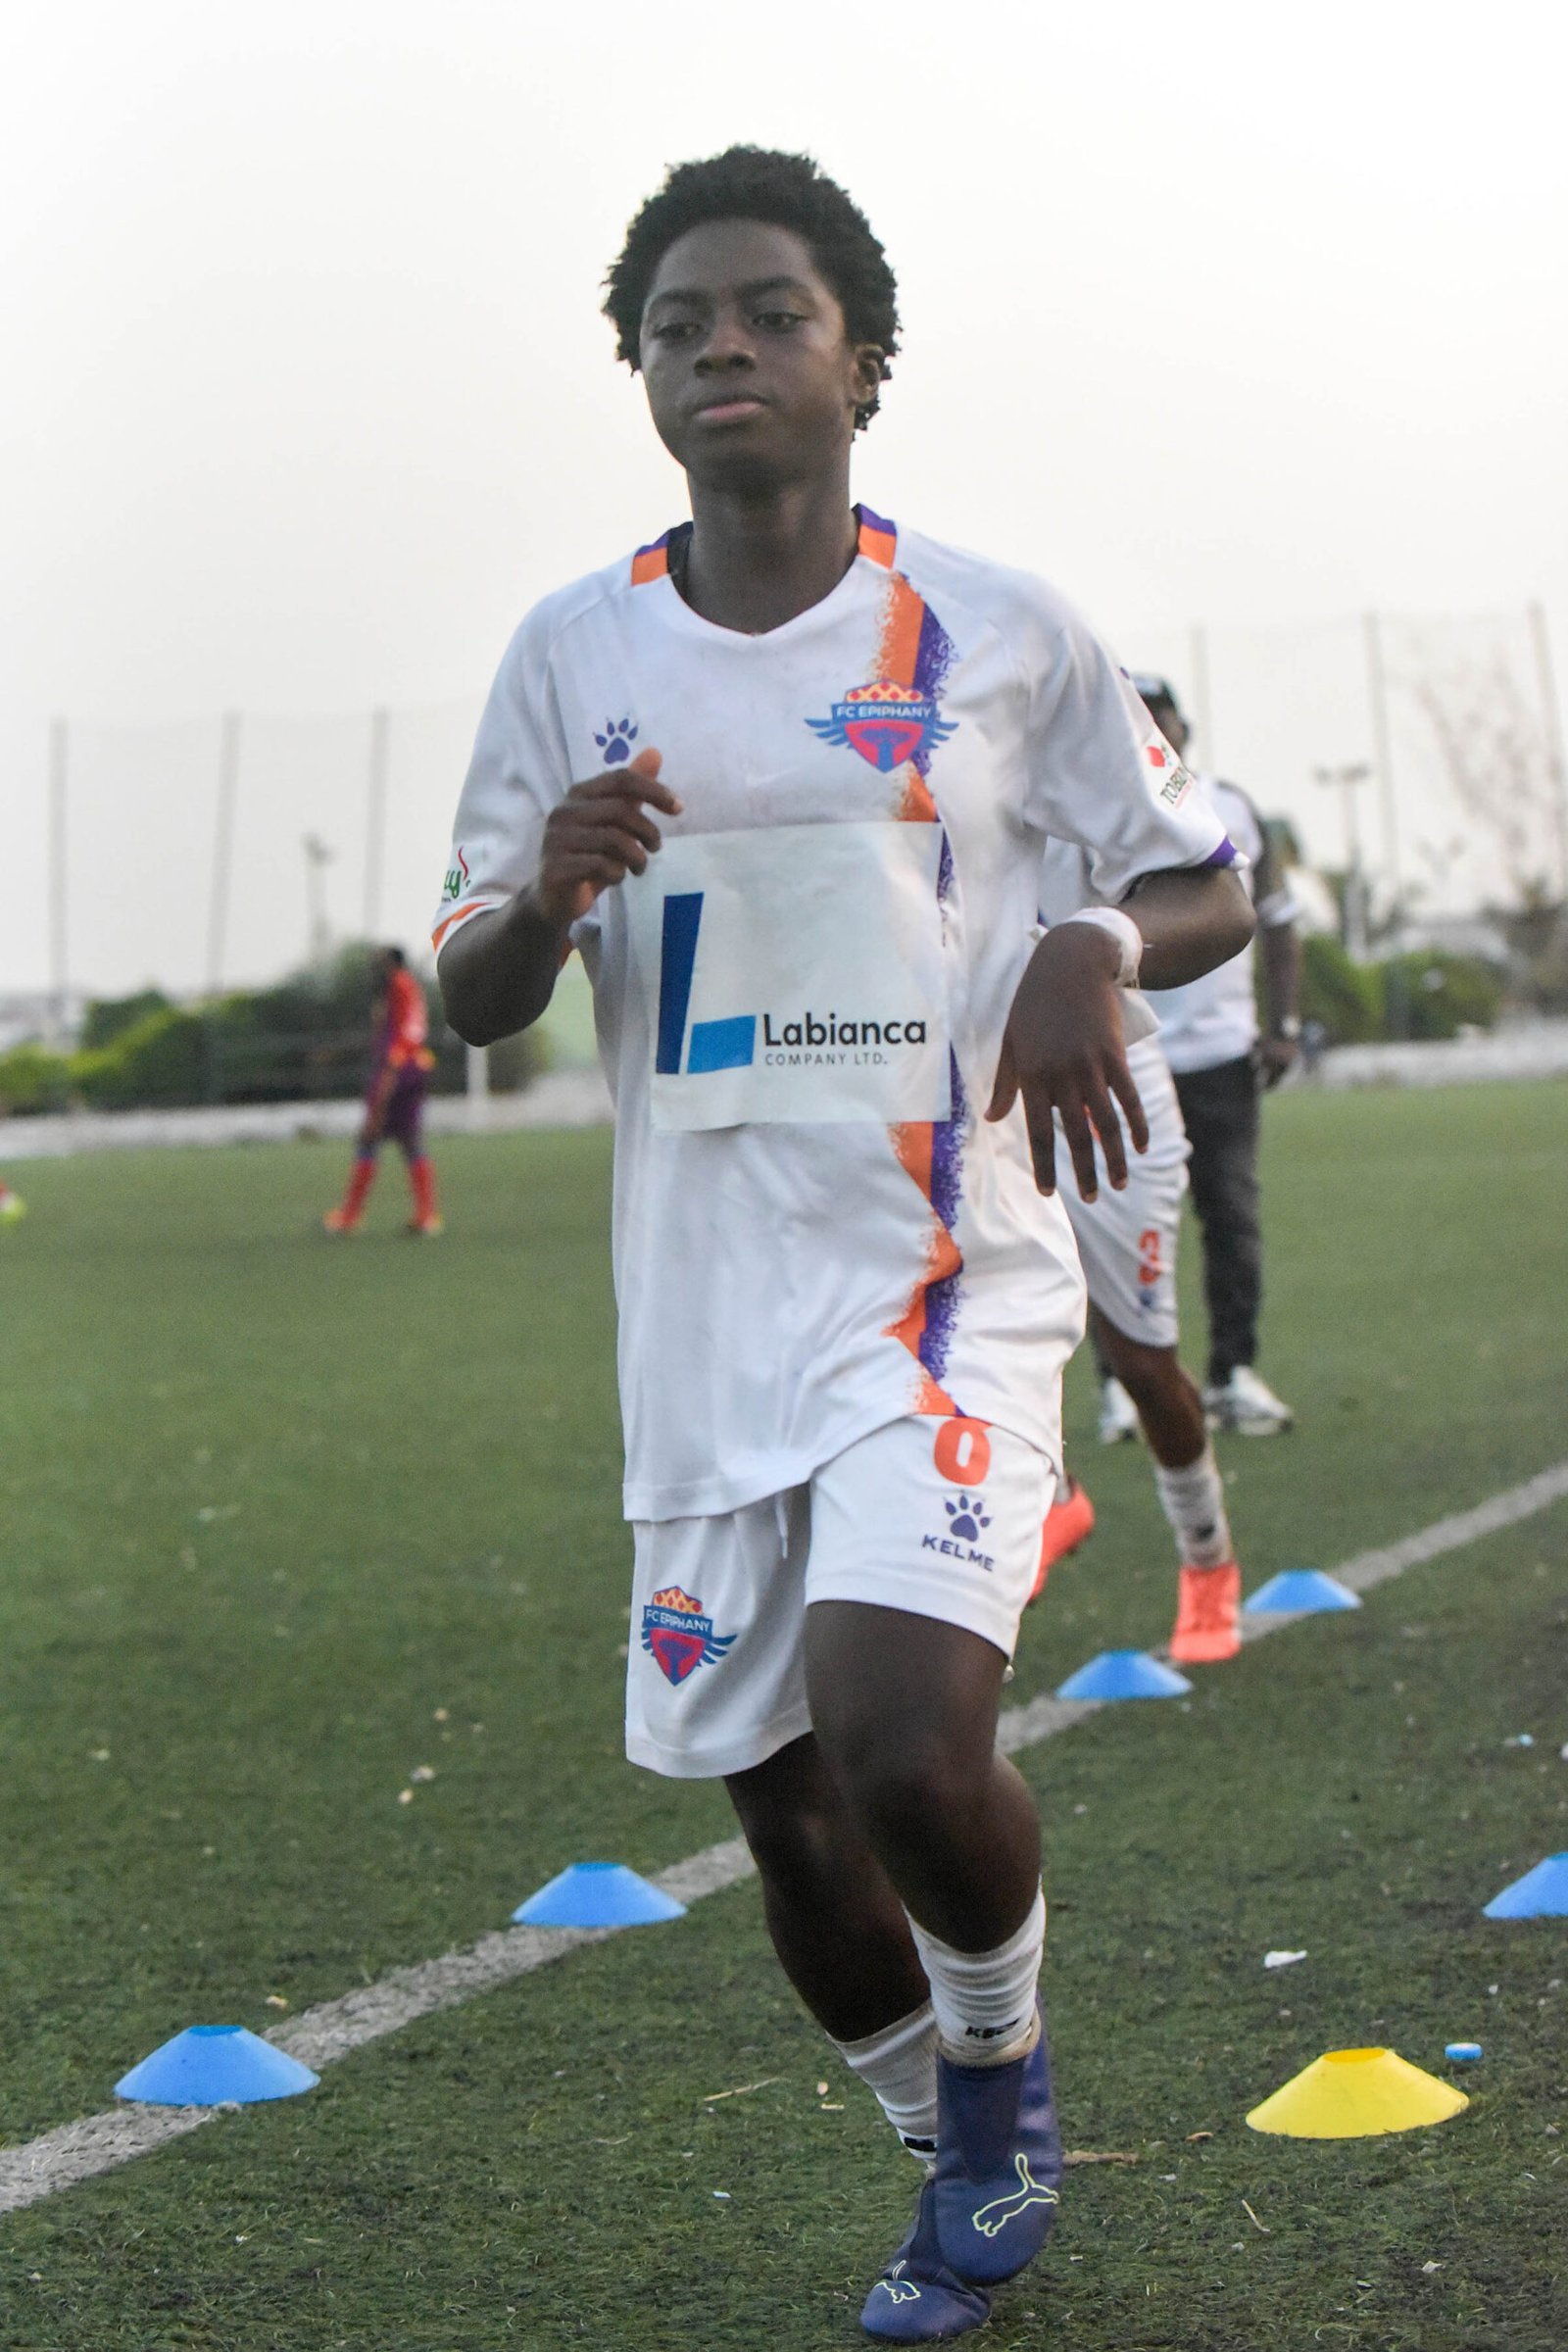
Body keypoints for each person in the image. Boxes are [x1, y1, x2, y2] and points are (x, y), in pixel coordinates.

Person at [433, 147, 1252, 2341]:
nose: (721, 346)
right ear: (638, 373)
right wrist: (543, 897)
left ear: (860, 363)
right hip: (706, 1323)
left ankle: (992, 2100)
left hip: (945, 1281)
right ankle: (947, 2131)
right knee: (788, 1818)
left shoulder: (999, 628)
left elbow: (1203, 878)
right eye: (676, 323)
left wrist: (1087, 941)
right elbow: (470, 984)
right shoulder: (569, 655)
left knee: (901, 1738)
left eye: (770, 313)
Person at [1029, 847, 1245, 1664]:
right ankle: (1048, 1496)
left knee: (1142, 1366)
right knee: (962, 1311)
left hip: (1110, 1081)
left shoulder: (1090, 779)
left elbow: (1214, 896)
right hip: (978, 1084)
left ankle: (1207, 1557)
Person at [1126, 675, 1301, 1437]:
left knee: (1231, 1216)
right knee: (1120, 1221)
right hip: (1131, 1048)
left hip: (1221, 1053)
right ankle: (1122, 1385)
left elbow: (1280, 918)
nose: (1152, 730)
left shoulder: (1231, 806)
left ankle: (1232, 1372)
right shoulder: (1096, 805)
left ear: (1184, 729)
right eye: (1138, 717)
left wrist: (1284, 1023)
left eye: (1161, 717)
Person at [323, 947, 442, 1238]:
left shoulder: (399, 985)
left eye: (379, 964)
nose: (375, 971)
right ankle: (426, 1215)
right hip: (412, 1067)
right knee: (409, 1140)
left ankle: (349, 1217)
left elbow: (405, 1033)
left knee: (369, 1137)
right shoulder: (407, 986)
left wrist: (389, 1075)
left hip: (397, 1070)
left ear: (392, 964)